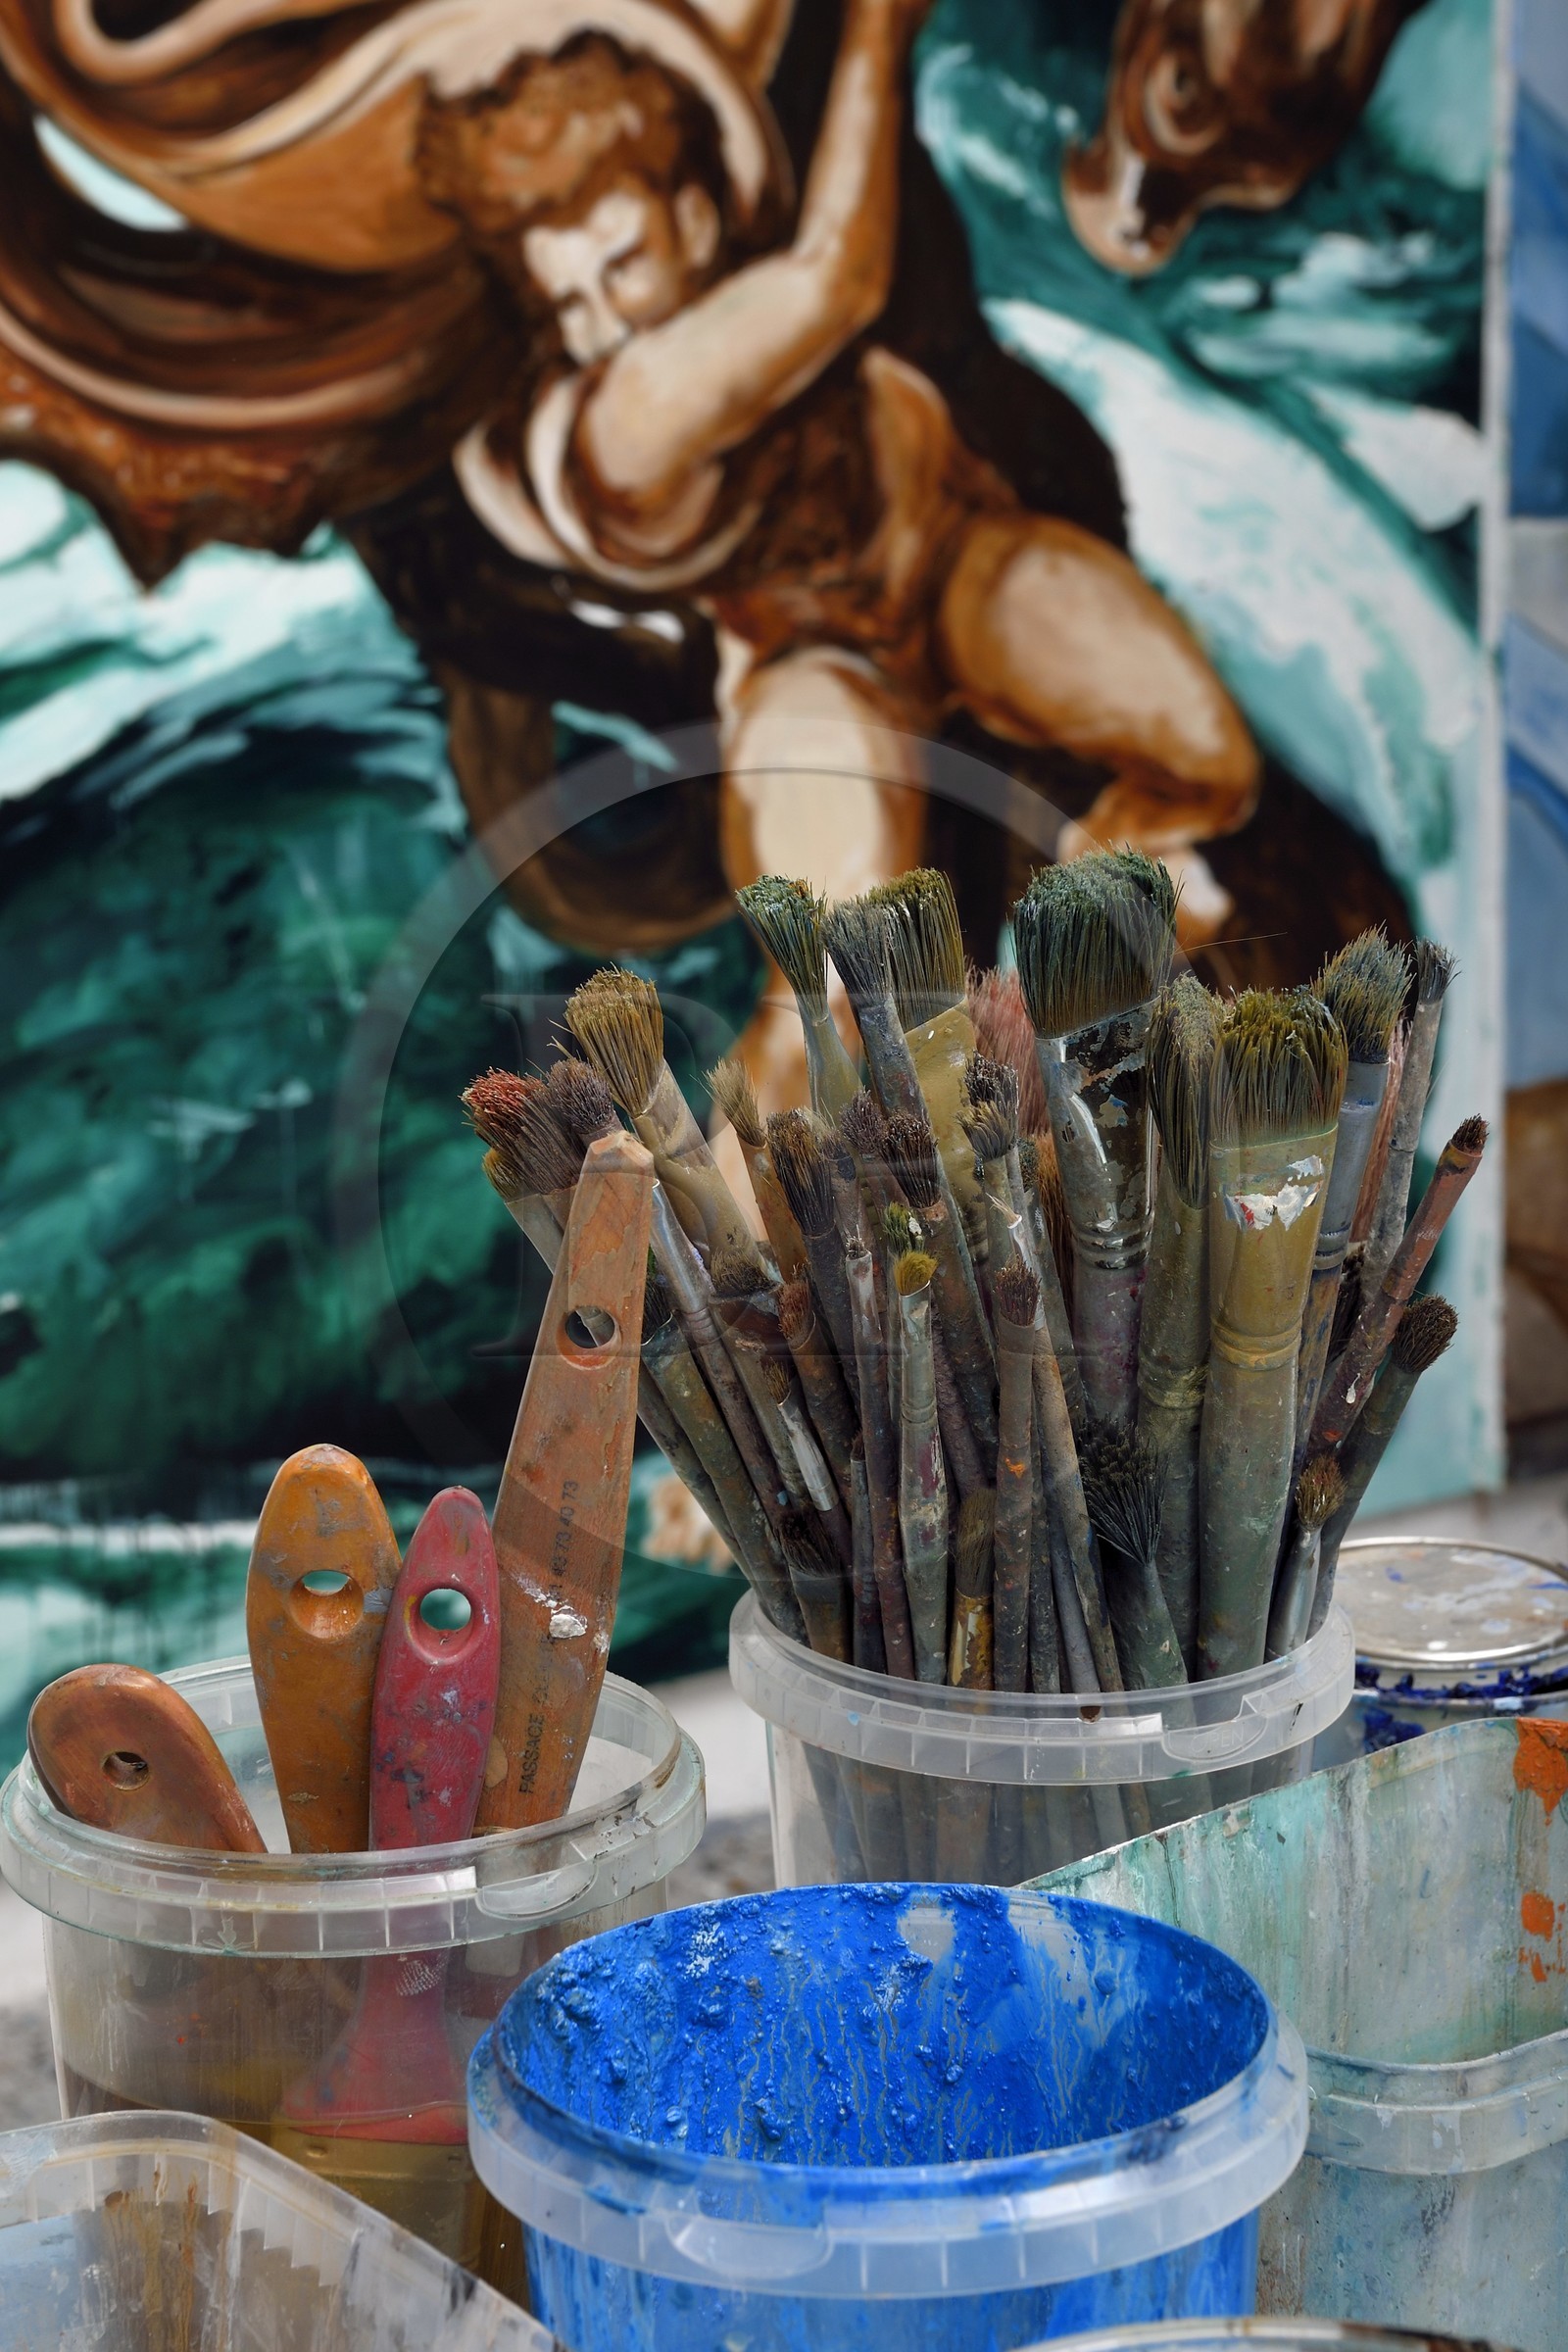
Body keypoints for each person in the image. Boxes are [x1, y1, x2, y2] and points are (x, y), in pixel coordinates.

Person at [420, 0, 1258, 1102]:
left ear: (696, 218)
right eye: (564, 301)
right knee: (832, 1003)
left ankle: (1074, 967)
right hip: (815, 667)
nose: (603, 325)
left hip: (955, 563)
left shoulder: (737, 251)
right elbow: (835, 280)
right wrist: (877, 29)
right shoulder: (624, 418)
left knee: (1207, 763)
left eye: (619, 267)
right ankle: (703, 1250)